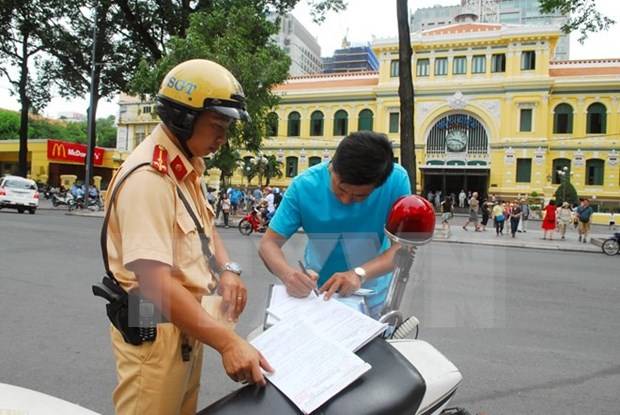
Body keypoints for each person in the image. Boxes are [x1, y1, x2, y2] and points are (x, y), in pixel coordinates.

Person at [101, 59, 272, 415]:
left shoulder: (185, 166)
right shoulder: (149, 178)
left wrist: (228, 269)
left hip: (188, 327)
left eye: (226, 127)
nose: (222, 138)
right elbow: (155, 285)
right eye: (216, 126)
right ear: (183, 118)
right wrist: (227, 343)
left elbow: (204, 227)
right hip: (154, 333)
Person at [258, 131, 411, 318]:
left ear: (380, 184)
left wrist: (359, 274)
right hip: (318, 295)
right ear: (332, 168)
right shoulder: (303, 186)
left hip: (372, 296)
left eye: (359, 196)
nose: (346, 201)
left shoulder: (397, 180)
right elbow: (268, 244)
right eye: (340, 190)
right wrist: (287, 275)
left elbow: (402, 249)